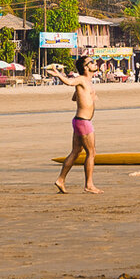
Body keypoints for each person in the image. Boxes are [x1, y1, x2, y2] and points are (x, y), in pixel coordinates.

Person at [47, 56, 103, 194]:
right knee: (91, 153)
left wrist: (83, 94)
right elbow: (69, 82)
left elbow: (74, 97)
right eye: (91, 62)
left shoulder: (86, 82)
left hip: (80, 121)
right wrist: (58, 73)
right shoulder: (82, 79)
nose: (94, 63)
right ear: (85, 67)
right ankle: (89, 185)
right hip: (84, 122)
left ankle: (60, 179)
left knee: (76, 152)